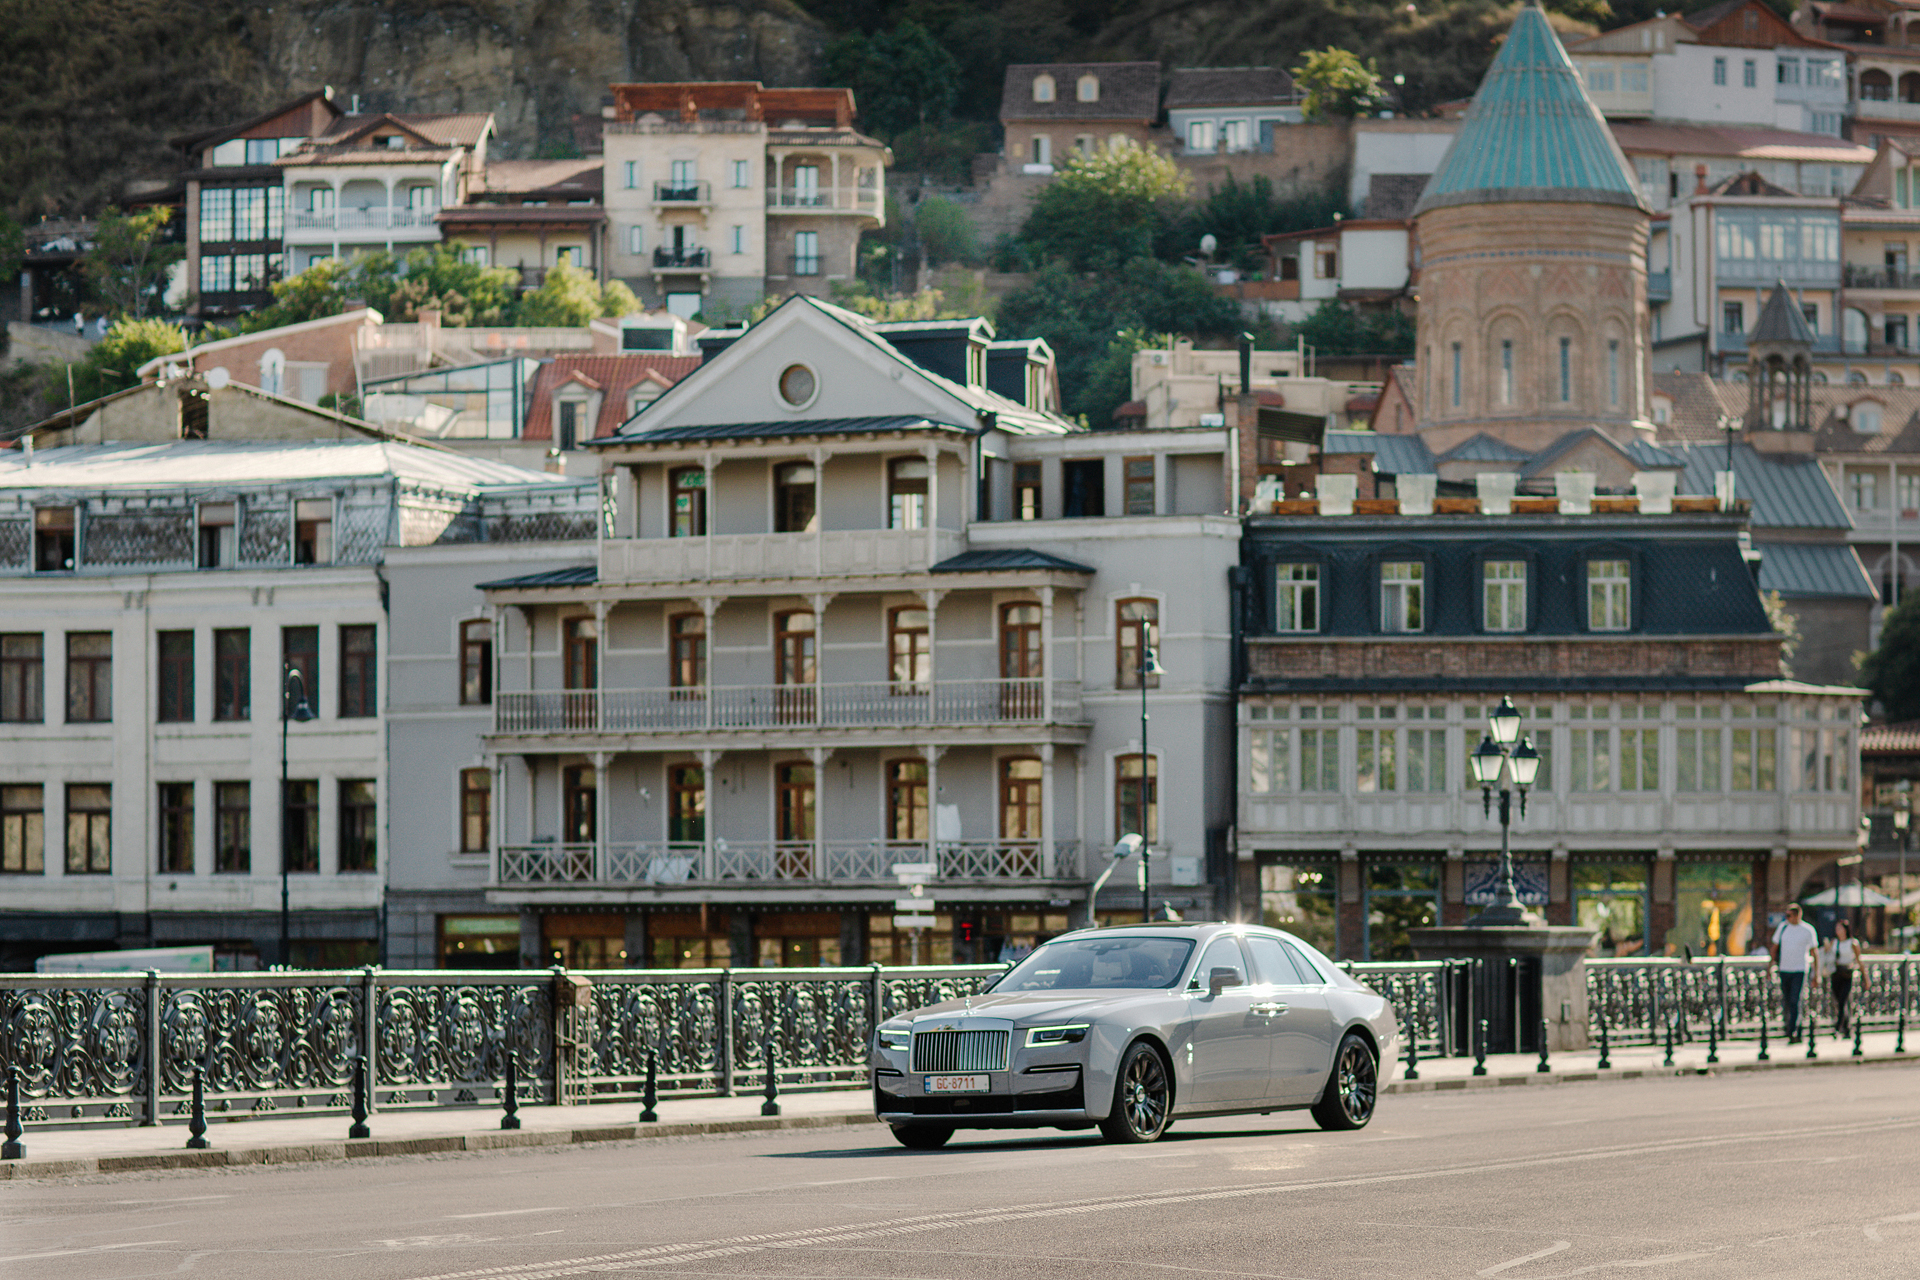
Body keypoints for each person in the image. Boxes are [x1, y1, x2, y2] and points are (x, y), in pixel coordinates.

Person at [1771, 904, 1820, 1042]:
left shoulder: (1808, 930)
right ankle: (1789, 1026)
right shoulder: (1783, 927)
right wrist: (1770, 966)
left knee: (1795, 1000)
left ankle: (1794, 1030)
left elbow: (1814, 952)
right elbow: (1774, 947)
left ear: (1798, 915)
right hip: (1784, 969)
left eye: (1789, 915)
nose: (1787, 918)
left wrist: (1816, 973)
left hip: (1800, 969)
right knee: (1787, 1000)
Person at [1824, 920, 1865, 1037]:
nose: (1838, 931)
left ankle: (1837, 1027)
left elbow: (1859, 960)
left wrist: (1865, 976)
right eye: (1837, 929)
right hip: (1836, 974)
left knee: (1843, 1000)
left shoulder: (1853, 943)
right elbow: (1828, 955)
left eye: (1840, 928)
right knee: (1839, 1002)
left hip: (1847, 974)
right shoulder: (1834, 942)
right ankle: (1846, 1028)